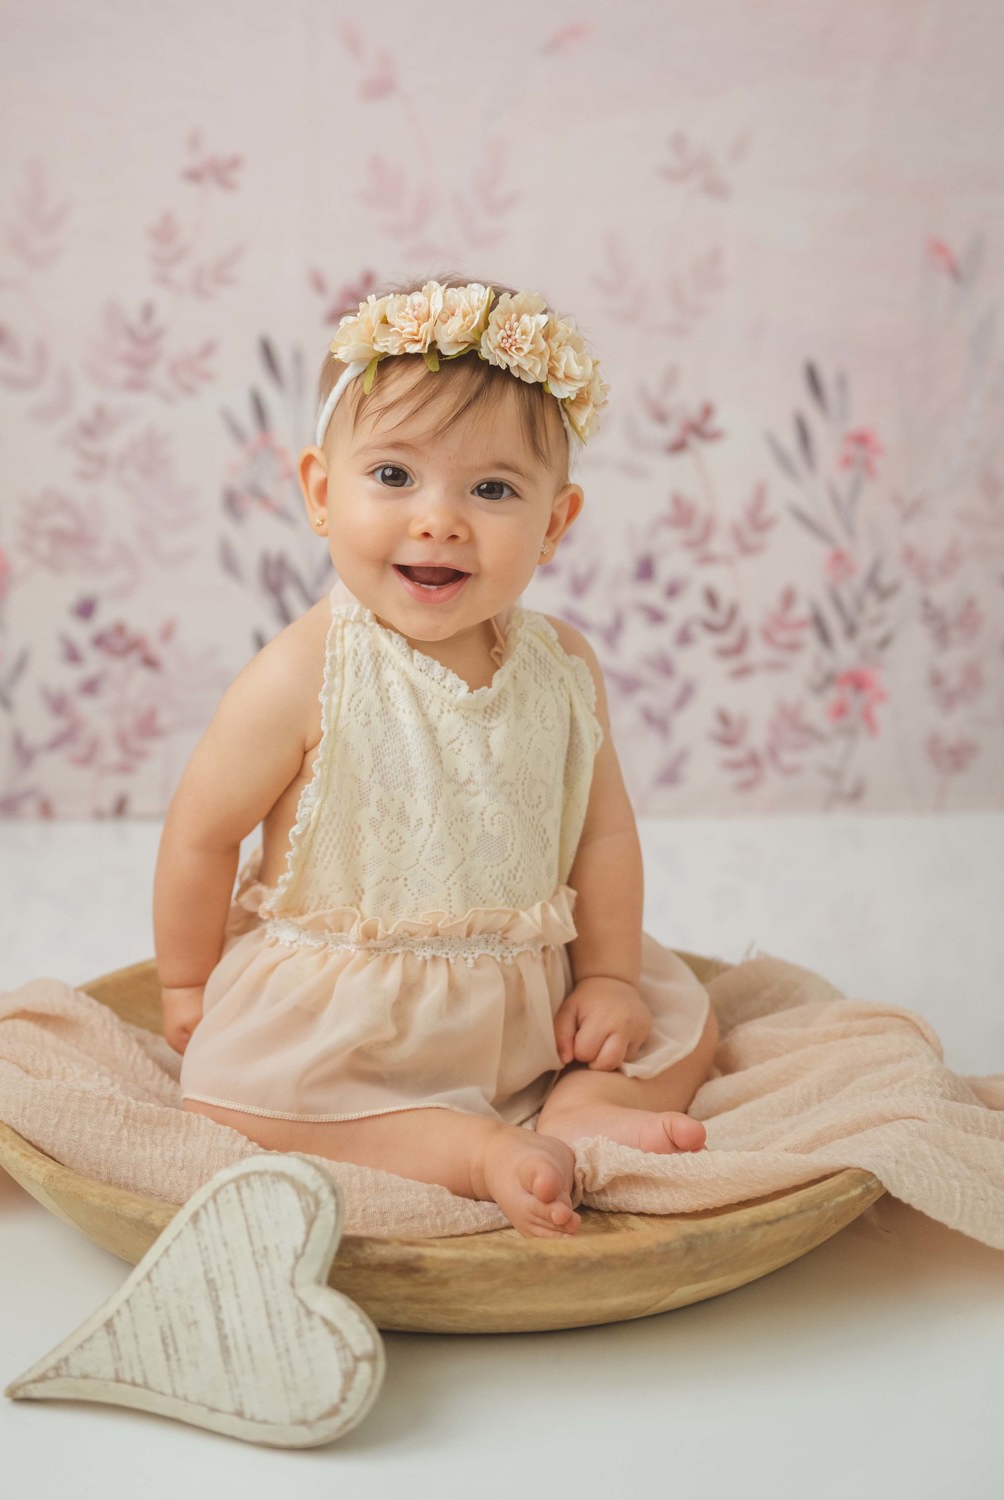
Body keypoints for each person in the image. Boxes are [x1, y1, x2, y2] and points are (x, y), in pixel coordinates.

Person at [153, 276, 719, 1239]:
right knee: (228, 1099)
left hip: (526, 997)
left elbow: (602, 836)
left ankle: (583, 1104)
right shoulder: (303, 672)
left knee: (685, 1022)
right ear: (320, 493)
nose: (439, 520)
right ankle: (471, 1150)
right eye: (393, 476)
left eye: (492, 490)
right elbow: (202, 835)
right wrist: (184, 982)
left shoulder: (563, 666)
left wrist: (611, 978)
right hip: (351, 1017)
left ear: (554, 524)